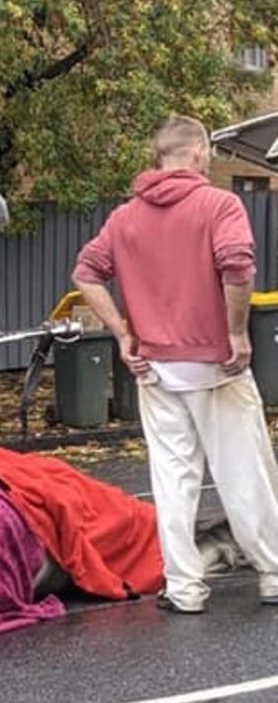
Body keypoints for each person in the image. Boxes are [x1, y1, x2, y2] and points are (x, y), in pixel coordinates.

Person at [72, 115, 278, 614]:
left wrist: (123, 334)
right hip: (217, 365)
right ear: (200, 154)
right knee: (244, 470)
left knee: (172, 479)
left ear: (159, 157)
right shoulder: (219, 204)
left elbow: (85, 272)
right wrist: (234, 332)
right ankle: (272, 574)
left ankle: (184, 587)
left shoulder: (124, 219)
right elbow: (236, 264)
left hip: (155, 370)